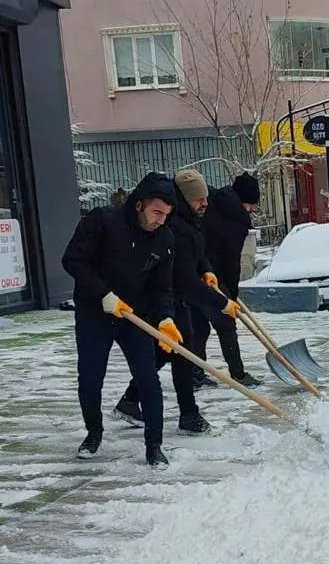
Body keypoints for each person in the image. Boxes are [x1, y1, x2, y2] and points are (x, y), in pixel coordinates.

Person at [62, 172, 178, 468]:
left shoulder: (164, 239)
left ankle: (154, 446)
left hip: (134, 316)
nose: (160, 220)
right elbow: (73, 260)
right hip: (94, 313)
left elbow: (162, 287)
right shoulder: (103, 221)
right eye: (156, 212)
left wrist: (166, 318)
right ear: (139, 205)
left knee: (148, 379)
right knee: (90, 378)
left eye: (166, 215)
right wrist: (103, 294)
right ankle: (93, 433)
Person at [117, 170, 240, 436]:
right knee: (182, 352)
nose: (204, 203)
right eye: (198, 199)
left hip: (174, 296)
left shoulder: (190, 220)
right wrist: (221, 303)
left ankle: (131, 400)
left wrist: (206, 269)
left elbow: (198, 253)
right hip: (162, 297)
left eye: (205, 197)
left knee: (168, 352)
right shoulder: (173, 227)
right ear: (184, 199)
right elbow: (184, 279)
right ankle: (188, 415)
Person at [191, 171, 262, 389]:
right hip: (214, 276)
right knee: (226, 324)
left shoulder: (212, 202)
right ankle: (238, 374)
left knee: (198, 326)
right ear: (245, 201)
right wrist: (231, 292)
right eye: (252, 205)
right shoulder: (236, 220)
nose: (253, 209)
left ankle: (194, 373)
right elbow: (231, 260)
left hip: (193, 271)